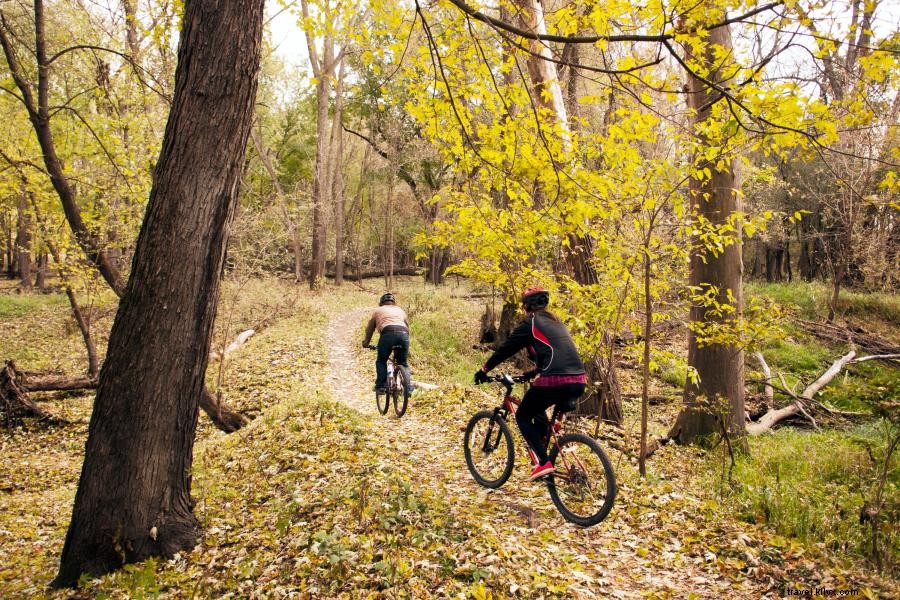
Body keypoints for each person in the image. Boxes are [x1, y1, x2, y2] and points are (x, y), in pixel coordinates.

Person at [474, 286, 586, 480]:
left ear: (526, 306)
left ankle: (544, 463)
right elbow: (554, 354)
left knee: (524, 415)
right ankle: (544, 450)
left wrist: (484, 370)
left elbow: (505, 349)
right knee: (539, 411)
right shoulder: (557, 323)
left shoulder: (531, 324)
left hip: (555, 379)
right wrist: (533, 373)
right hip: (579, 380)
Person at [363, 292, 412, 394]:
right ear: (394, 303)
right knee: (403, 363)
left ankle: (381, 386)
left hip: (388, 334)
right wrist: (405, 343)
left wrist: (366, 343)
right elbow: (407, 327)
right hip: (404, 335)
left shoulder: (378, 311)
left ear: (381, 303)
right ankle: (409, 388)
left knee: (381, 361)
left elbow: (370, 329)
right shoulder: (400, 310)